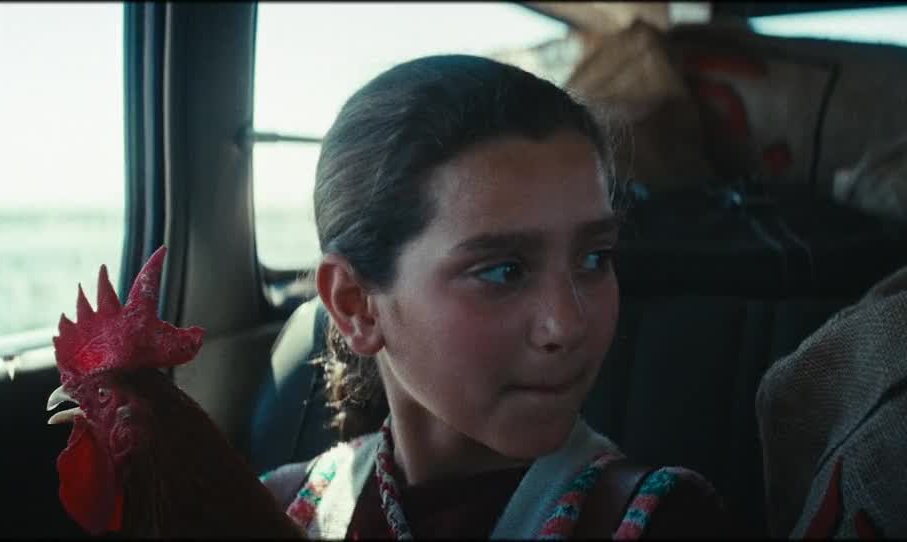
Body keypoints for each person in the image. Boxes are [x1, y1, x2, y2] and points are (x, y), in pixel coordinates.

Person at [260, 54, 731, 539]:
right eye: (503, 271)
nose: (567, 325)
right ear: (356, 305)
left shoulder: (653, 520)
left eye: (595, 258)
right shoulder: (277, 511)